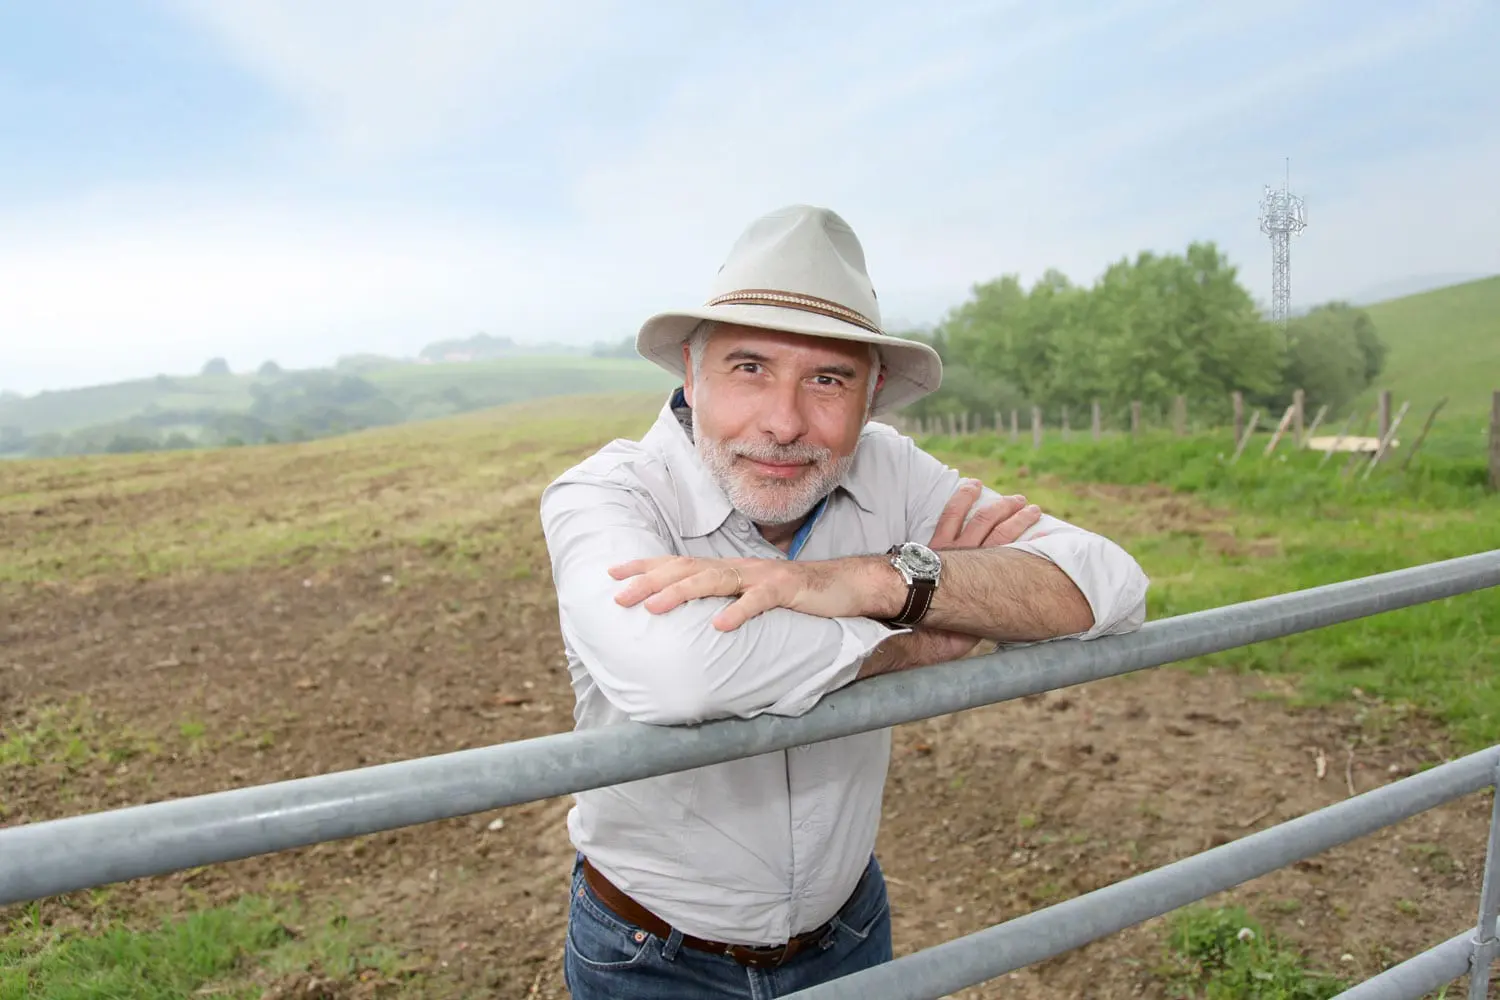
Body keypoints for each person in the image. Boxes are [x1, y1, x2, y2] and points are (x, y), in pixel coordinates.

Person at [539, 204, 1149, 998]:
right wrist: (913, 637)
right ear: (691, 371)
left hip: (848, 935)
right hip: (649, 956)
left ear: (873, 395)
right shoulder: (607, 495)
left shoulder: (892, 471)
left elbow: (1106, 584)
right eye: (749, 368)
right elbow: (678, 675)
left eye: (828, 379)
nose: (785, 423)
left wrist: (874, 581)